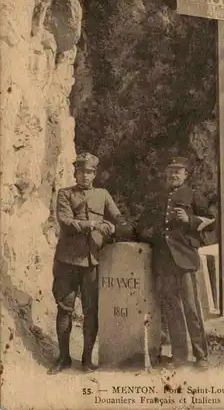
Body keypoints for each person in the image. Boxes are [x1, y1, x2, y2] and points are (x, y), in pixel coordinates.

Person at [48, 152, 133, 375]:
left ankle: (86, 359)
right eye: (80, 171)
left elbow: (119, 219)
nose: (84, 176)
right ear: (75, 173)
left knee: (91, 311)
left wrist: (114, 228)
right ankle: (64, 358)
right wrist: (94, 224)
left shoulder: (103, 194)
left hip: (92, 261)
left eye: (88, 172)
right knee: (64, 309)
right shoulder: (65, 194)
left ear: (94, 174)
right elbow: (66, 222)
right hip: (67, 260)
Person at [136, 156, 214, 369]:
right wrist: (153, 235)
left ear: (185, 174)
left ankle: (201, 356)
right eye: (170, 171)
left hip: (185, 259)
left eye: (178, 171)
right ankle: (180, 357)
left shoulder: (193, 195)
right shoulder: (157, 199)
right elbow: (141, 226)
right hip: (163, 261)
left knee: (191, 308)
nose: (173, 174)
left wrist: (191, 221)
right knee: (172, 310)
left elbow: (211, 222)